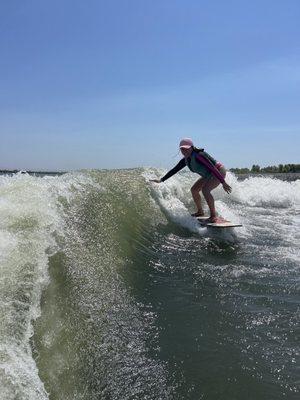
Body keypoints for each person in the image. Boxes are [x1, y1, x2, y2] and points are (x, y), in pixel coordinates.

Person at [150, 138, 232, 223]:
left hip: (218, 171)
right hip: (208, 174)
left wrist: (223, 182)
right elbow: (174, 170)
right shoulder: (185, 160)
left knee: (205, 190)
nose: (184, 151)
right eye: (182, 149)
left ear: (192, 147)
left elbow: (212, 167)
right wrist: (161, 180)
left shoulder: (199, 155)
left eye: (186, 148)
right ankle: (200, 212)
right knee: (194, 190)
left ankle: (213, 216)